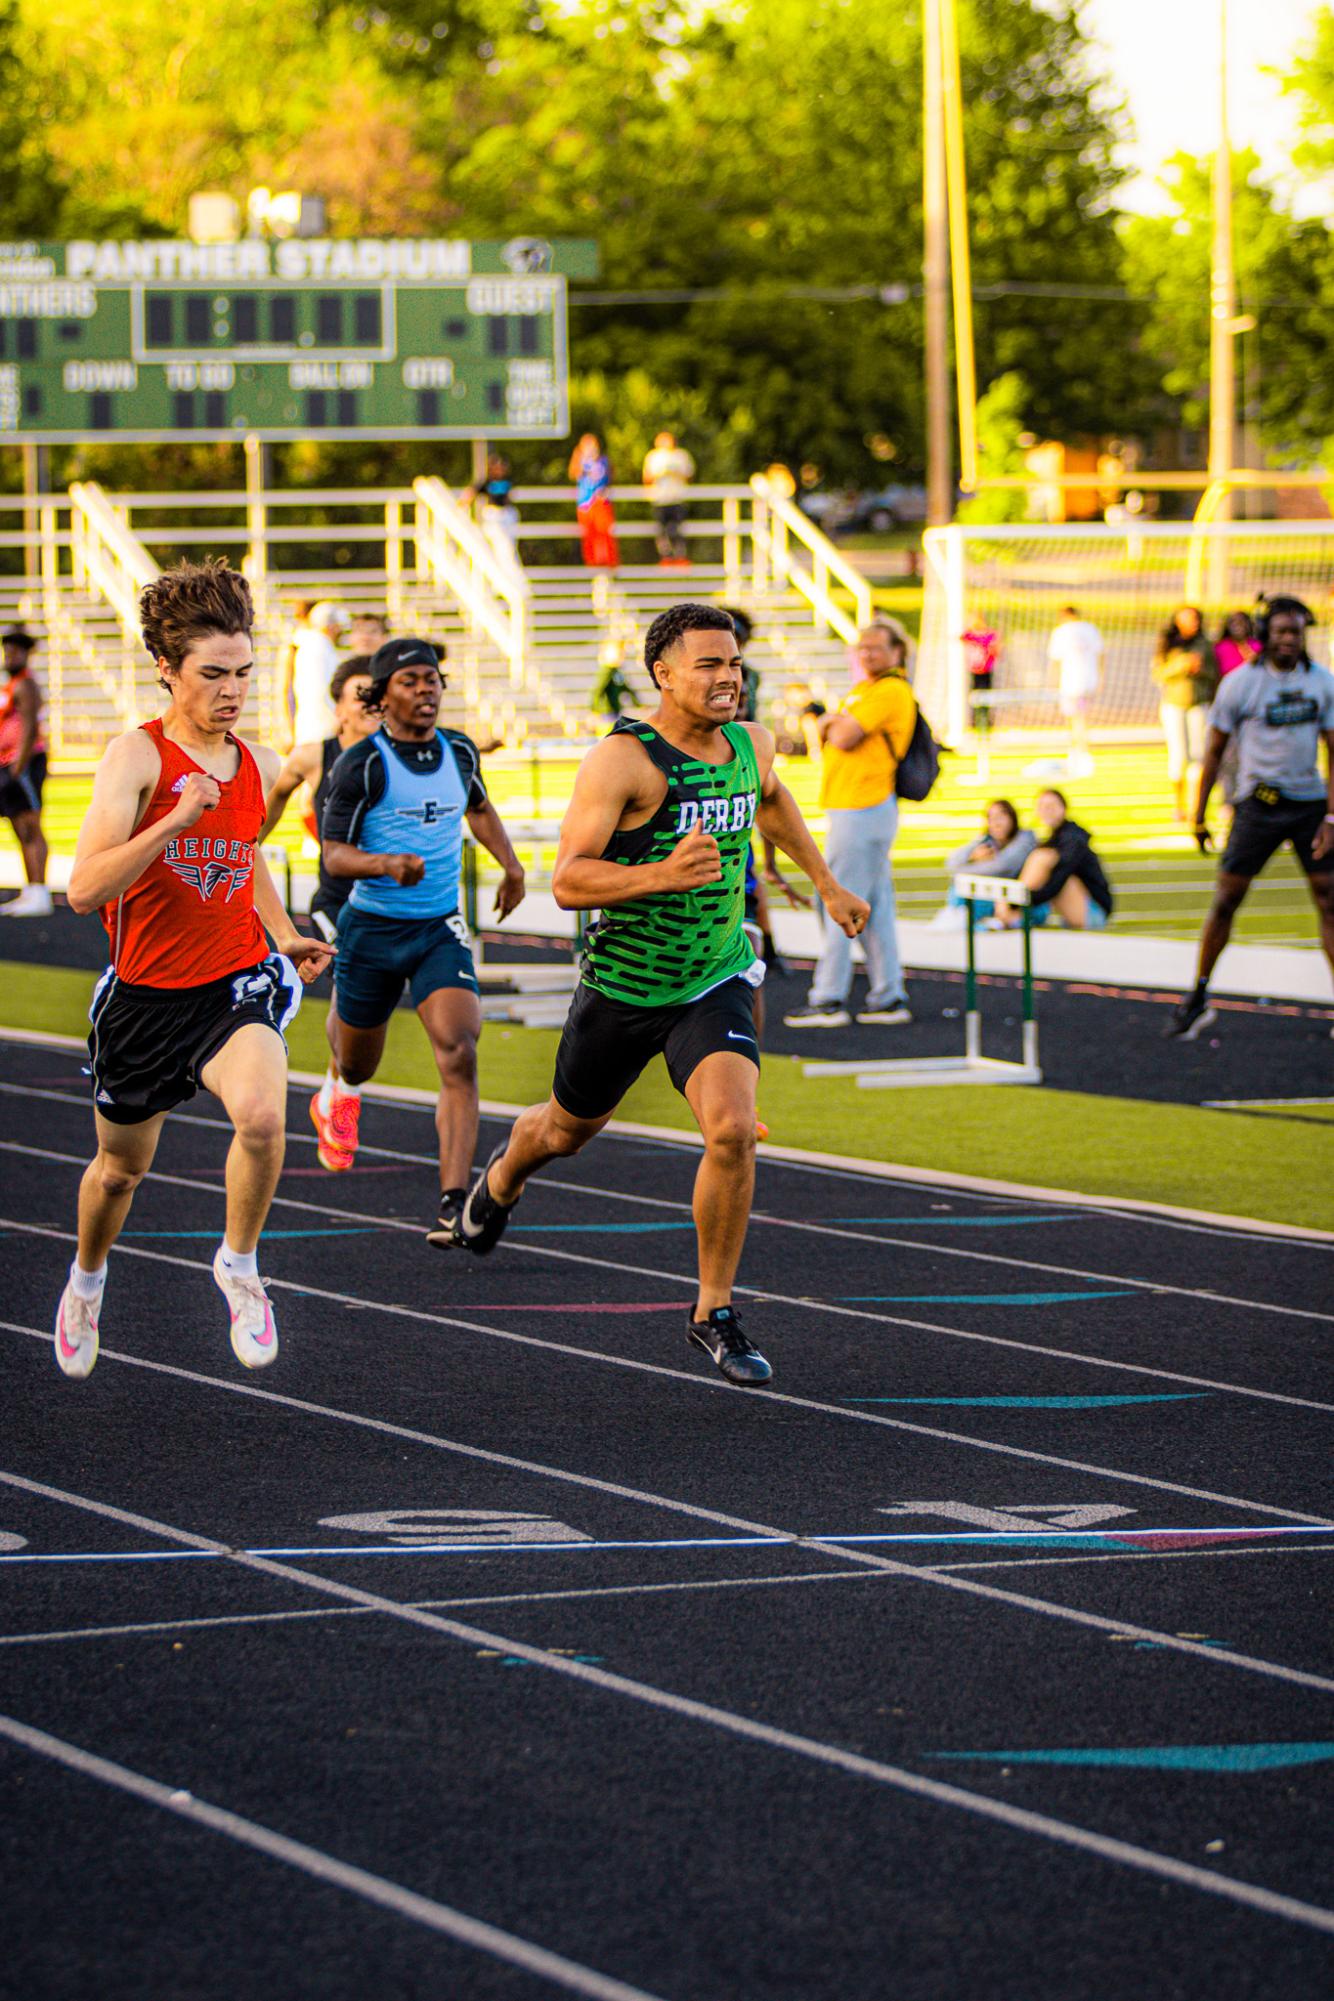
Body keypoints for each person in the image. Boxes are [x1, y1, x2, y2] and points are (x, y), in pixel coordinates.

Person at [455, 603, 869, 1387]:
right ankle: (504, 1176)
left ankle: (713, 1312)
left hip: (712, 978)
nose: (727, 678)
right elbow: (570, 878)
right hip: (621, 988)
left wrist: (825, 881)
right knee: (564, 1133)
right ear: (664, 674)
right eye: (708, 665)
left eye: (735, 663)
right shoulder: (624, 759)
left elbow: (771, 798)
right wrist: (659, 875)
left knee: (734, 1131)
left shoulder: (752, 742)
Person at [54, 559, 334, 1382]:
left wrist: (282, 934)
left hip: (231, 984)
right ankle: (85, 1280)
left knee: (262, 1114)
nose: (233, 690)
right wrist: (173, 819)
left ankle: (240, 1266)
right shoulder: (134, 759)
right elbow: (82, 889)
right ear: (167, 671)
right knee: (118, 1173)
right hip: (143, 1001)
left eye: (244, 672)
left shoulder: (252, 759)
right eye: (213, 674)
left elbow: (243, 856)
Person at [319, 636, 526, 1242]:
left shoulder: (460, 750)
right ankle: (338, 1084)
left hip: (437, 928)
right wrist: (385, 865)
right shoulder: (363, 762)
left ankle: (454, 1200)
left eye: (432, 679)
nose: (426, 689)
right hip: (372, 929)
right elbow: (333, 856)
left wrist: (510, 867)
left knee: (459, 1048)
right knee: (360, 1063)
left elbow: (479, 809)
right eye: (410, 681)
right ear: (382, 697)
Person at [1166, 595, 1334, 1041]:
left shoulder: (1321, 682)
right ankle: (1198, 996)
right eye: (1280, 631)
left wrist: (1332, 816)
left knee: (1329, 901)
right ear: (1264, 634)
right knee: (1226, 901)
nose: (1288, 640)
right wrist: (1198, 814)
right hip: (1257, 805)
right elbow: (1214, 751)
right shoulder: (1240, 683)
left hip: (1309, 805)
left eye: (1295, 632)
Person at [260, 654, 381, 1171]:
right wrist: (246, 844)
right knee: (350, 976)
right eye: (361, 694)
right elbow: (278, 794)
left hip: (388, 904)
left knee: (371, 1000)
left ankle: (333, 1088)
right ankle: (343, 1097)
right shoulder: (315, 755)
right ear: (338, 706)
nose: (371, 703)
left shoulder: (399, 756)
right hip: (335, 899)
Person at [784, 620, 917, 1028]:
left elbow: (841, 736)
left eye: (877, 647)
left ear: (897, 652)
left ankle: (828, 997)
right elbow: (837, 730)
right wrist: (831, 723)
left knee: (836, 901)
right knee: (875, 909)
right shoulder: (867, 691)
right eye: (862, 647)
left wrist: (827, 723)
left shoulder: (891, 690)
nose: (868, 654)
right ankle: (888, 994)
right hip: (857, 806)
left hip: (864, 806)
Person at [994, 788, 1113, 931]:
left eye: (1051, 806)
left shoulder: (1073, 839)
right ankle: (1013, 914)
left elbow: (1055, 884)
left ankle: (1013, 915)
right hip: (1078, 908)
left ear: (1063, 808)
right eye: (1042, 807)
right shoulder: (1054, 839)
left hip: (1093, 914)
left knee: (1042, 858)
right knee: (1040, 858)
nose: (1047, 811)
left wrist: (1015, 902)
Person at [0, 627, 52, 917]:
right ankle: (30, 890)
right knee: (19, 827)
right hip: (9, 764)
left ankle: (40, 891)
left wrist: (18, 769)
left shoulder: (26, 686)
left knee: (31, 826)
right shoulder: (10, 686)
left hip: (24, 764)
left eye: (14, 651)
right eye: (6, 651)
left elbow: (30, 727)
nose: (9, 656)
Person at [1152, 605, 1219, 822]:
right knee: (1178, 756)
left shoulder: (1205, 644)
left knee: (1199, 757)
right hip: (1174, 704)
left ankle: (1195, 804)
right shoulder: (1168, 643)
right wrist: (1182, 665)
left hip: (1199, 704)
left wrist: (1200, 669)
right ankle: (1178, 804)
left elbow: (1214, 675)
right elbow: (1159, 673)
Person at [932, 798, 1036, 927]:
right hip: (996, 898)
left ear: (1012, 818)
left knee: (966, 888)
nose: (996, 823)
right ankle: (964, 916)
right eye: (991, 818)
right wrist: (972, 856)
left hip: (1021, 901)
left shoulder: (1025, 840)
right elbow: (951, 863)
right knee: (959, 889)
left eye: (1000, 817)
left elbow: (1002, 867)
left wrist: (964, 870)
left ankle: (967, 918)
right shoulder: (988, 841)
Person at [1046, 605, 1103, 773]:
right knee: (1081, 717)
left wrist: (1052, 682)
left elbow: (1055, 660)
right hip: (1088, 682)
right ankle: (1081, 750)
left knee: (1075, 718)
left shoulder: (1061, 631)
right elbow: (1101, 654)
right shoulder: (1091, 630)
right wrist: (1100, 678)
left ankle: (1080, 752)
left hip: (1071, 683)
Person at [286, 601, 348, 745]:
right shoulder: (318, 647)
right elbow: (320, 688)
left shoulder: (313, 645)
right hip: (321, 728)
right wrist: (337, 718)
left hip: (315, 725)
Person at [642, 431, 695, 566]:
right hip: (660, 499)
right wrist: (661, 475)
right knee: (661, 529)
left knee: (678, 528)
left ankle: (680, 556)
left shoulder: (681, 456)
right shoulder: (653, 457)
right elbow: (647, 478)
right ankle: (666, 556)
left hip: (677, 498)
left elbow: (689, 475)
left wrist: (675, 474)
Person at [569, 433, 619, 569]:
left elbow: (610, 475)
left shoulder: (603, 460)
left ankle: (609, 567)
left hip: (602, 503)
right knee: (589, 536)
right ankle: (593, 567)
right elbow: (574, 474)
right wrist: (582, 458)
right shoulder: (580, 461)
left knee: (605, 535)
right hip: (585, 504)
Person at [463, 454, 521, 561]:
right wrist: (464, 505)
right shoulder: (487, 482)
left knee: (508, 542)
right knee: (496, 539)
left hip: (506, 513)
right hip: (493, 514)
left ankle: (508, 562)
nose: (499, 470)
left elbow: (510, 496)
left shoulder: (508, 481)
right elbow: (471, 492)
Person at [1216, 609, 1260, 677]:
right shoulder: (1220, 647)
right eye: (1232, 622)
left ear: (1248, 624)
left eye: (1241, 622)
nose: (1237, 625)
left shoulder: (1258, 646)